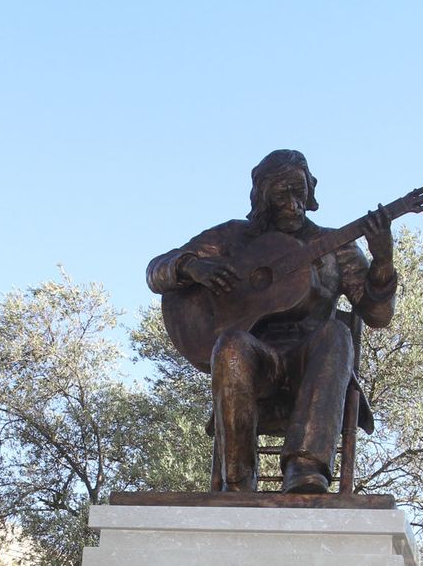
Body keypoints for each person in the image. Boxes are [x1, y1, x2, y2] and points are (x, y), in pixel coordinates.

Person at [147, 148, 397, 493]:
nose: (293, 203)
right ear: (263, 196)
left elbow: (377, 315)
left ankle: (305, 470)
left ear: (312, 191)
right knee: (231, 345)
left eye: (300, 191)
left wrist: (382, 260)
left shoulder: (335, 246)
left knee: (337, 334)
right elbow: (155, 272)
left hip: (311, 368)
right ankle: (238, 480)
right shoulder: (233, 238)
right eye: (282, 193)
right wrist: (191, 266)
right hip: (255, 364)